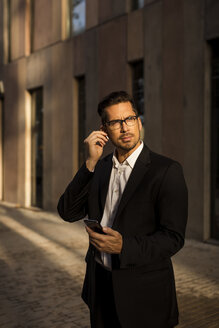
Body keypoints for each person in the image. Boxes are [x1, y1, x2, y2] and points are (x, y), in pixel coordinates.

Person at [57, 90, 188, 328]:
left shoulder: (166, 171)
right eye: (116, 122)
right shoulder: (100, 167)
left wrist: (124, 246)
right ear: (104, 129)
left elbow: (173, 238)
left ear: (138, 121)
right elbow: (67, 212)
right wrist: (90, 162)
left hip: (145, 297)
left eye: (129, 119)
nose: (125, 128)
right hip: (101, 291)